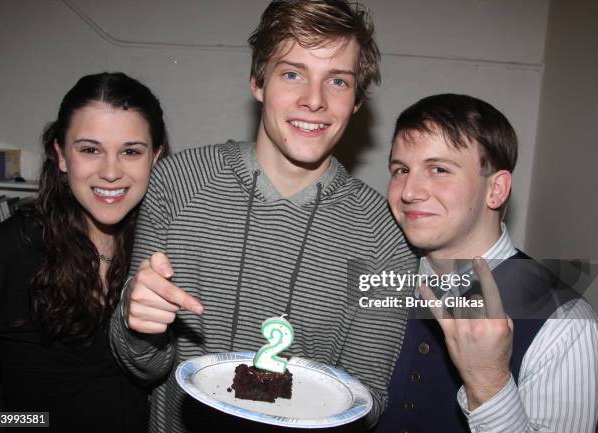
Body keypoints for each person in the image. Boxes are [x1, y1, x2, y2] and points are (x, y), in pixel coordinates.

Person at [108, 1, 416, 432]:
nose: (314, 100)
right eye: (292, 73)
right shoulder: (176, 183)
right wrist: (135, 320)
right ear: (257, 82)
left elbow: (369, 399)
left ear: (357, 100)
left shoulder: (384, 235)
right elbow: (143, 367)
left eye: (338, 81)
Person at [376, 93, 598, 432]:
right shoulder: (378, 278)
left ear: (495, 190)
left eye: (439, 169)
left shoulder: (565, 322)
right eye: (401, 169)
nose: (409, 191)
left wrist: (489, 384)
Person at [0, 72, 169, 432]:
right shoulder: (14, 248)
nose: (111, 172)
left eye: (131, 151)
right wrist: (6, 423)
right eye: (90, 149)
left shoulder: (163, 246)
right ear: (62, 156)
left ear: (155, 158)